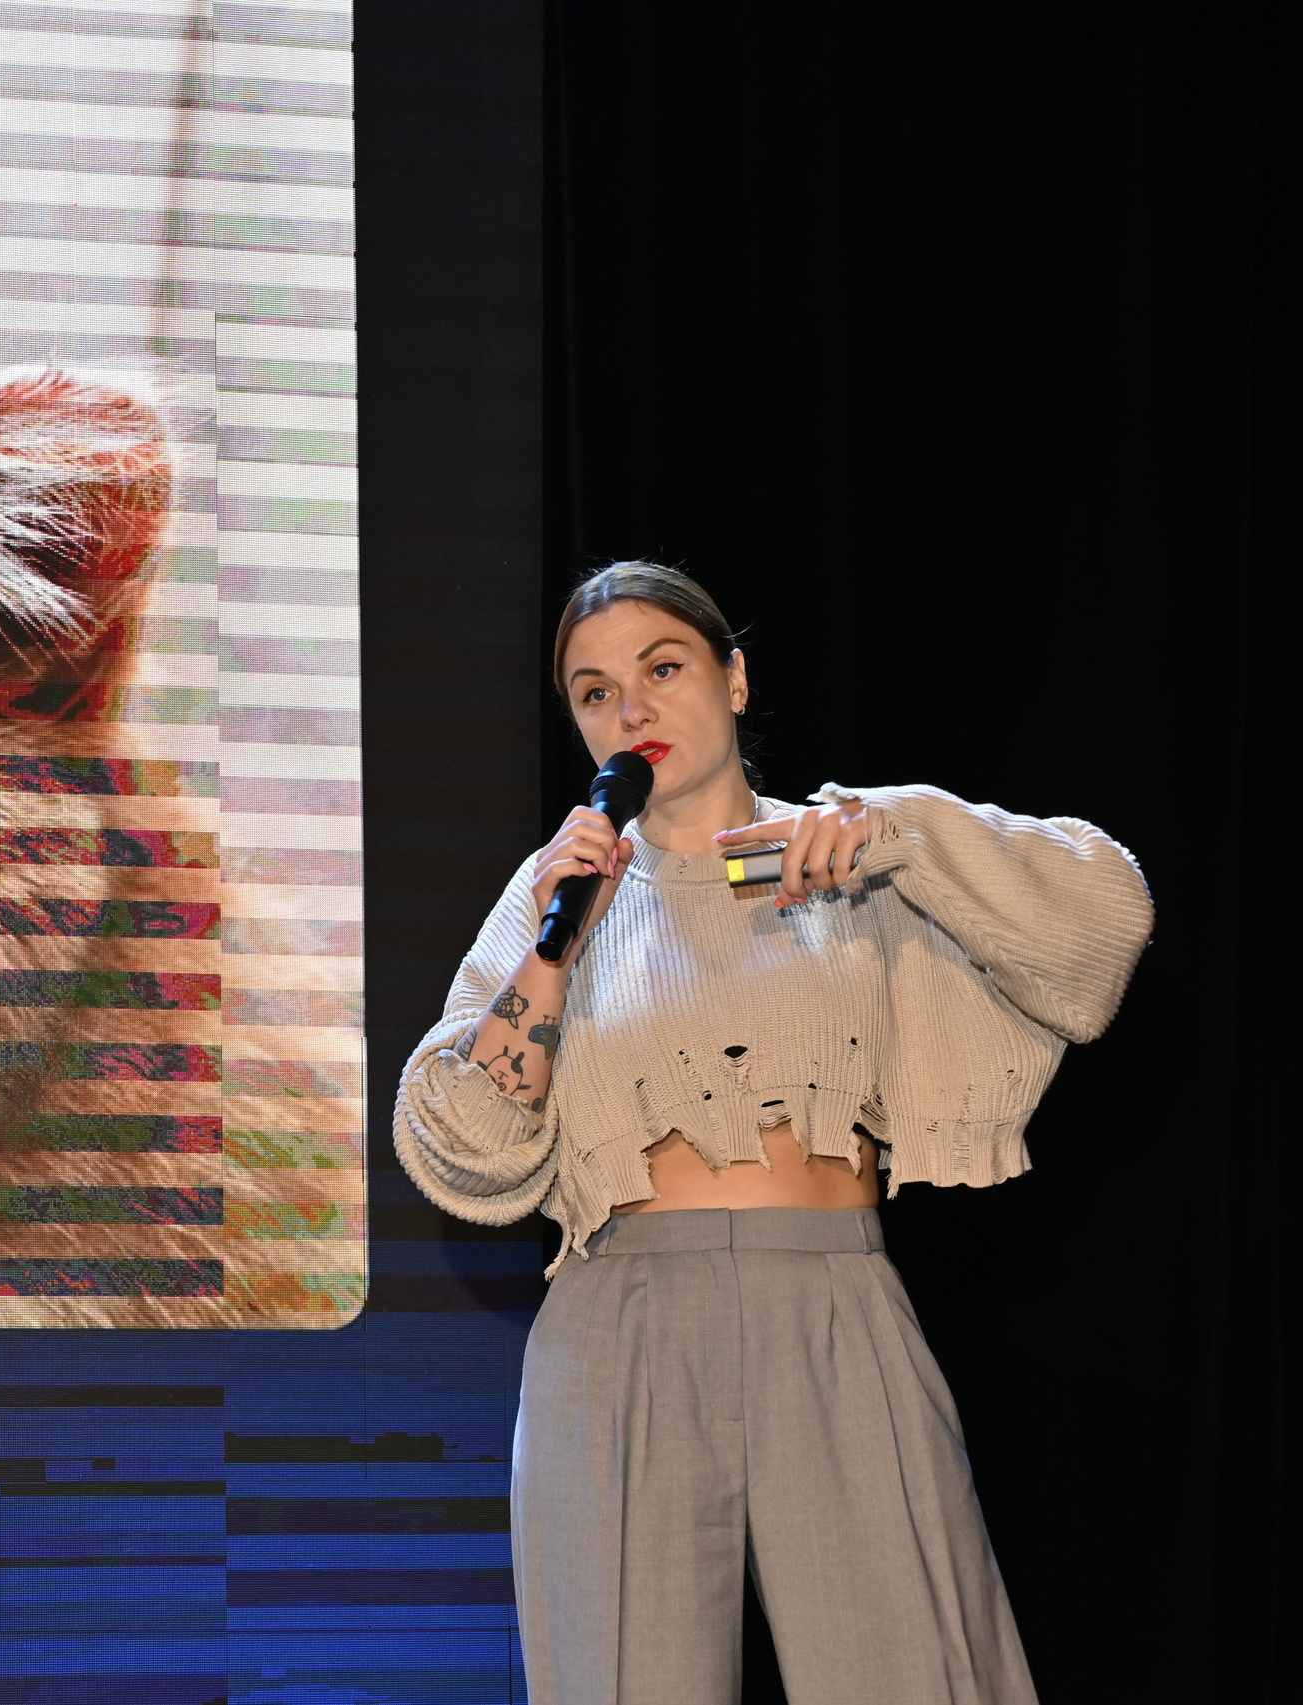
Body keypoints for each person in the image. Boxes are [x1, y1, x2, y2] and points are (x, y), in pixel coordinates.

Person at [394, 562, 1152, 1705]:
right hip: (620, 1323)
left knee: (919, 1672)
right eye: (594, 693)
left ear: (734, 678)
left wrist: (902, 833)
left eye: (662, 669)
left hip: (835, 1306)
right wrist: (553, 949)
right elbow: (464, 1147)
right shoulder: (561, 890)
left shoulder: (851, 847)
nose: (630, 709)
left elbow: (1102, 930)